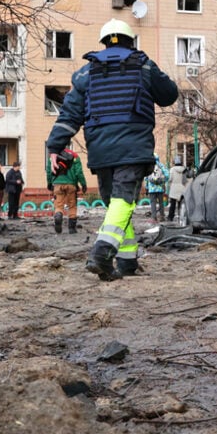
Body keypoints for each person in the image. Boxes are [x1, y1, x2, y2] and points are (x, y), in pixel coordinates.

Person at [45, 18, 178, 280]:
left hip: (101, 149)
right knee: (123, 202)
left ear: (104, 42)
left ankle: (126, 262)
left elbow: (70, 114)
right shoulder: (144, 65)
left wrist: (55, 146)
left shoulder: (86, 73)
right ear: (131, 41)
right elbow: (169, 95)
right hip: (133, 146)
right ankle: (101, 253)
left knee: (116, 205)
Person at [46, 149, 87, 234]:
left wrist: (49, 183)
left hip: (57, 184)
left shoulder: (53, 156)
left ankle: (58, 215)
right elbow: (79, 172)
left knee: (58, 205)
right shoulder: (75, 156)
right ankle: (72, 228)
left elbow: (49, 171)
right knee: (72, 205)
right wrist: (83, 184)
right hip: (71, 184)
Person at [166, 156, 191, 223]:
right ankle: (181, 216)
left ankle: (170, 217)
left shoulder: (172, 169)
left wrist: (169, 183)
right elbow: (186, 179)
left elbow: (170, 179)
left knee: (173, 204)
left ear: (175, 162)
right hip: (182, 188)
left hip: (174, 188)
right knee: (181, 204)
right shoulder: (184, 169)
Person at [144, 153, 169, 222]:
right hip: (160, 188)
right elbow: (167, 175)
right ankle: (162, 217)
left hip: (151, 189)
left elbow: (146, 178)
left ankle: (154, 217)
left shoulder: (149, 166)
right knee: (161, 203)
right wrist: (163, 181)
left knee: (153, 203)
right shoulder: (161, 165)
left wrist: (147, 187)